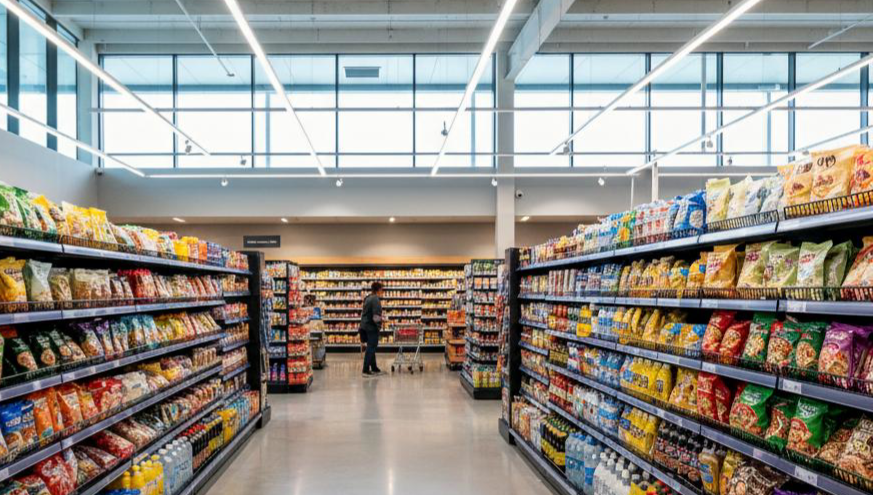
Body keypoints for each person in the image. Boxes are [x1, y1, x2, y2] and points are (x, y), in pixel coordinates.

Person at [360, 281, 385, 376]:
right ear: (379, 290)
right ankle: (365, 370)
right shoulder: (375, 299)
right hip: (371, 327)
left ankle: (374, 368)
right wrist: (382, 321)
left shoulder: (368, 298)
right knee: (371, 348)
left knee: (371, 347)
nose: (382, 292)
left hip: (364, 326)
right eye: (382, 290)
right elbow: (375, 317)